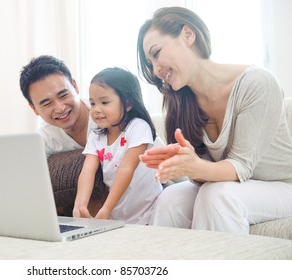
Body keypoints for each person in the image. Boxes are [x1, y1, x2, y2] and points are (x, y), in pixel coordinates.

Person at [137, 6, 292, 233]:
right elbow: (206, 176)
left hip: (281, 186)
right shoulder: (180, 100)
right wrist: (188, 163)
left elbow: (241, 167)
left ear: (188, 35)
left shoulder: (257, 83)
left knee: (218, 196)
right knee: (170, 199)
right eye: (150, 63)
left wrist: (196, 166)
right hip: (234, 185)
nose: (156, 69)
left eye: (156, 52)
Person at [73, 67, 164, 224]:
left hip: (151, 210)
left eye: (104, 102)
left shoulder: (138, 127)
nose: (96, 109)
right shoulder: (96, 136)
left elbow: (127, 168)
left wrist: (106, 208)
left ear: (128, 104)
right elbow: (87, 171)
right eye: (92, 103)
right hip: (119, 213)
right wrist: (79, 206)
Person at [19, 55, 97, 157]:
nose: (60, 109)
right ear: (34, 108)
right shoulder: (45, 139)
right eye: (47, 103)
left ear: (75, 86)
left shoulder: (108, 117)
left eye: (63, 95)